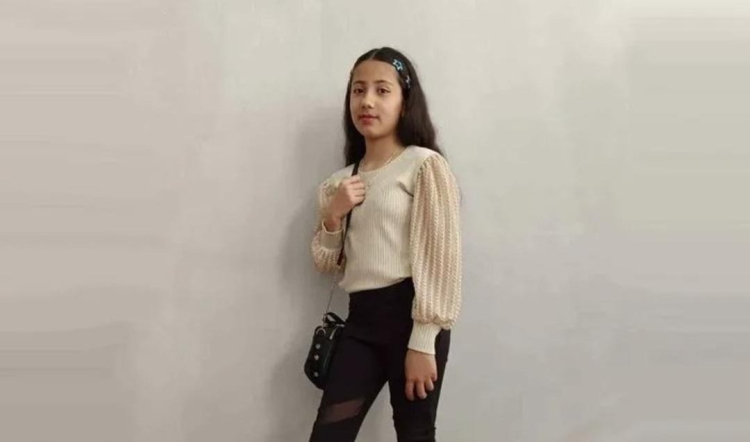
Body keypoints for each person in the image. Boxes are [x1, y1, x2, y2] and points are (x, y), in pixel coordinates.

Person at [308, 46, 462, 442]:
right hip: (361, 322)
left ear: (404, 101)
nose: (367, 101)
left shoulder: (424, 166)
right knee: (329, 435)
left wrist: (423, 341)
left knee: (415, 434)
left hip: (412, 318)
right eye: (358, 90)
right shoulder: (338, 182)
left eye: (382, 90)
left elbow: (441, 259)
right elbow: (326, 262)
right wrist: (334, 214)